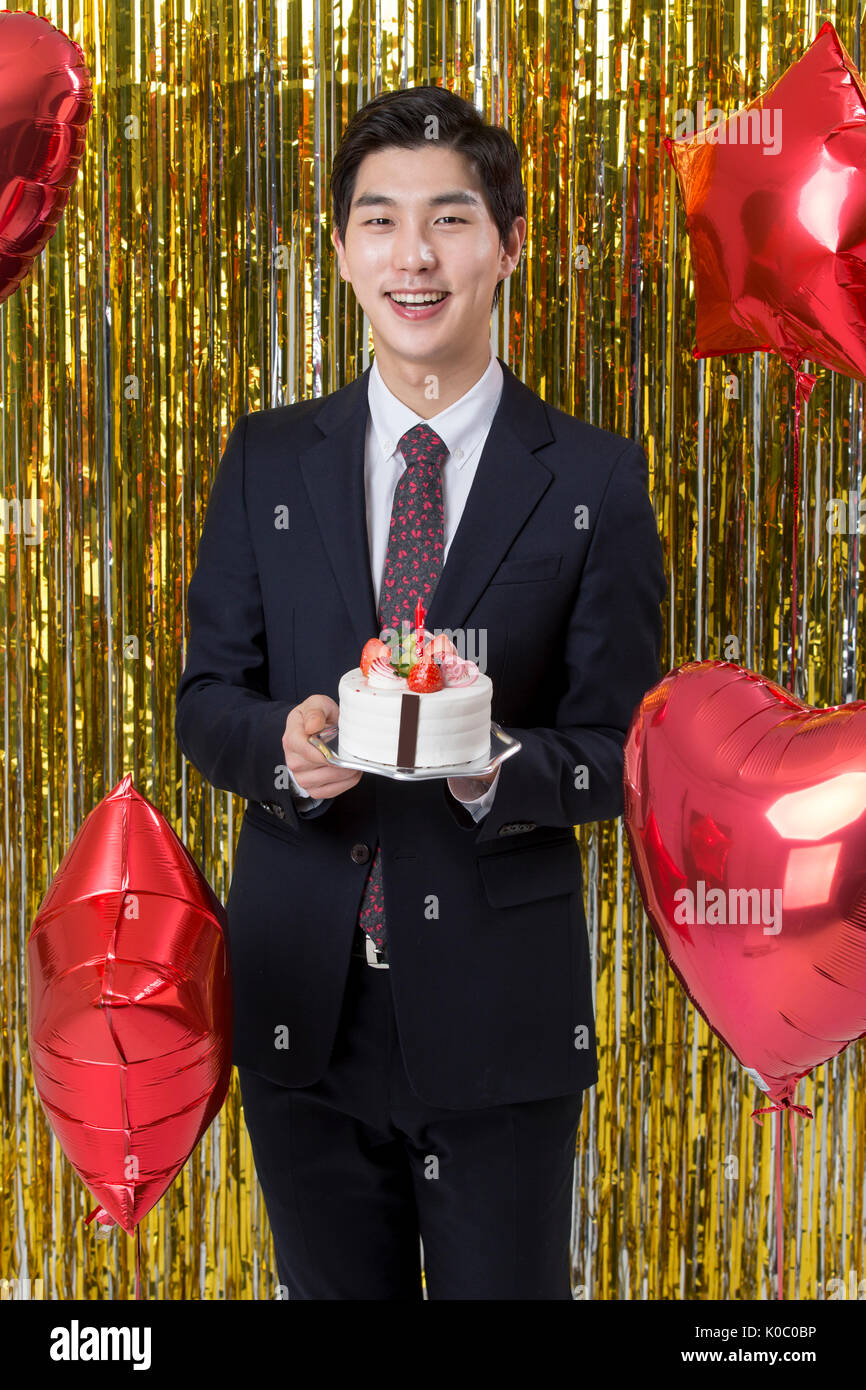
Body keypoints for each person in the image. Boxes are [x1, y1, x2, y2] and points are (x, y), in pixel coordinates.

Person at [175, 84, 666, 1300]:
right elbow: (205, 699)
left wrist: (502, 767)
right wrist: (281, 751)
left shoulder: (594, 478)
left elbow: (626, 749)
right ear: (341, 252)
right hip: (303, 1007)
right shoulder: (264, 459)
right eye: (379, 219)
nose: (413, 254)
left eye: (448, 219)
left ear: (504, 245)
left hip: (500, 1018)